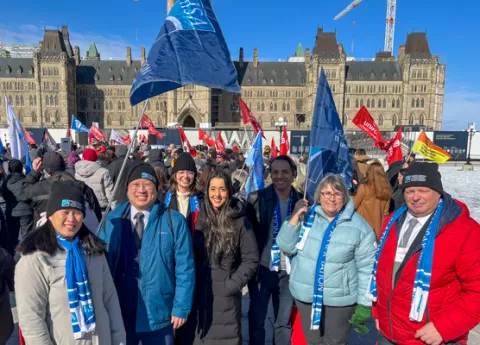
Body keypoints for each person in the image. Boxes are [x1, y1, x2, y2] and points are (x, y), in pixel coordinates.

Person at [368, 162, 480, 345]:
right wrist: (378, 312)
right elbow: (382, 273)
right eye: (410, 191)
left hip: (432, 337)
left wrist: (444, 328)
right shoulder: (392, 222)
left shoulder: (464, 230)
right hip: (389, 333)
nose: (415, 197)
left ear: (438, 192)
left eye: (423, 190)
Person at [15, 180, 126, 345]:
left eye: (77, 212)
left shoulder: (94, 251)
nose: (71, 219)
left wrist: (119, 340)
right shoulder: (36, 258)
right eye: (65, 211)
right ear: (51, 214)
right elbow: (31, 319)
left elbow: (110, 301)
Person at [100, 162, 195, 345]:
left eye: (147, 184)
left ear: (156, 189)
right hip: (120, 312)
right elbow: (99, 264)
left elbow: (185, 268)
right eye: (135, 184)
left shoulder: (174, 221)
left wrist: (181, 307)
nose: (141, 190)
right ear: (127, 189)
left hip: (159, 314)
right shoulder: (111, 220)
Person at [276, 174, 377, 345]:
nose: (331, 198)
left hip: (339, 300)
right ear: (318, 196)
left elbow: (367, 268)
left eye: (337, 194)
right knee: (312, 341)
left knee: (335, 342)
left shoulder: (360, 227)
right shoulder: (306, 218)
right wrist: (294, 216)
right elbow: (286, 245)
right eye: (326, 193)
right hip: (306, 295)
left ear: (345, 196)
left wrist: (364, 303)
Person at [177, 172, 259, 345]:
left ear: (229, 191)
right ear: (206, 191)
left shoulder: (240, 222)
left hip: (226, 300)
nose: (217, 194)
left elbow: (251, 259)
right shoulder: (196, 217)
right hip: (197, 295)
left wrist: (232, 285)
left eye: (222, 189)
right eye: (213, 189)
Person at [246, 155, 302, 345]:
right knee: (257, 320)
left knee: (283, 323)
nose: (280, 176)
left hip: (289, 272)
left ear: (294, 174)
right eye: (275, 172)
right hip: (263, 269)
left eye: (285, 172)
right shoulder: (256, 199)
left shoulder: (302, 202)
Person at [162, 153, 203, 234]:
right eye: (181, 172)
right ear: (175, 175)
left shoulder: (202, 199)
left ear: (195, 176)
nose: (185, 176)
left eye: (190, 172)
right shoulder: (164, 198)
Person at [353, 161, 392, 239]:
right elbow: (385, 213)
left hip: (362, 227)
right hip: (378, 230)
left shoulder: (364, 188)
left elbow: (353, 206)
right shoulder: (387, 189)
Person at [3, 160, 34, 253]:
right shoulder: (26, 181)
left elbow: (5, 196)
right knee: (26, 237)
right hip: (25, 211)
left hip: (11, 211)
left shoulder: (6, 182)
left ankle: (14, 256)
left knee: (13, 237)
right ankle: (25, 255)